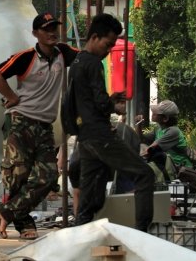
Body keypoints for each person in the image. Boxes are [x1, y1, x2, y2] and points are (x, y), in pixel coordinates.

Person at [0, 12, 79, 240]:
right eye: (46, 28)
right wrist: (12, 96)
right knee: (18, 175)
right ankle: (24, 223)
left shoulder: (63, 54)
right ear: (35, 34)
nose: (51, 32)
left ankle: (8, 212)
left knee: (49, 176)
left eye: (54, 28)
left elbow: (85, 58)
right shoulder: (25, 57)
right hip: (20, 121)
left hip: (44, 125)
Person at [71, 13, 155, 232]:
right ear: (95, 37)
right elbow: (100, 102)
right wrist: (113, 105)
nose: (109, 51)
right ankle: (142, 233)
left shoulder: (78, 61)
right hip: (100, 134)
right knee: (145, 175)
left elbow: (81, 102)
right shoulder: (93, 64)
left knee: (91, 198)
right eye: (107, 44)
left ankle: (79, 235)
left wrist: (107, 101)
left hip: (86, 136)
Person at [140, 100, 194, 180]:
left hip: (180, 170)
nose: (153, 113)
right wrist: (138, 125)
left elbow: (150, 150)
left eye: (156, 113)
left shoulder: (173, 131)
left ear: (165, 118)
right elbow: (141, 139)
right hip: (167, 166)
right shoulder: (158, 129)